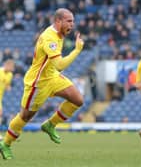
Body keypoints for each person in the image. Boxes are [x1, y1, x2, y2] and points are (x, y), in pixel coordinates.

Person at [0, 8, 84, 160]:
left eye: (73, 21)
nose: (72, 24)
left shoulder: (59, 33)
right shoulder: (49, 38)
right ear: (58, 21)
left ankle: (50, 125)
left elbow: (54, 67)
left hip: (52, 76)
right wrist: (77, 50)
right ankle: (6, 143)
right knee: (25, 116)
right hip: (38, 83)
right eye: (69, 21)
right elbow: (59, 64)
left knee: (78, 99)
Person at [0, 60, 15, 140]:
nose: (12, 69)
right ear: (6, 65)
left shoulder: (10, 75)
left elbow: (7, 85)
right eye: (11, 67)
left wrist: (8, 87)